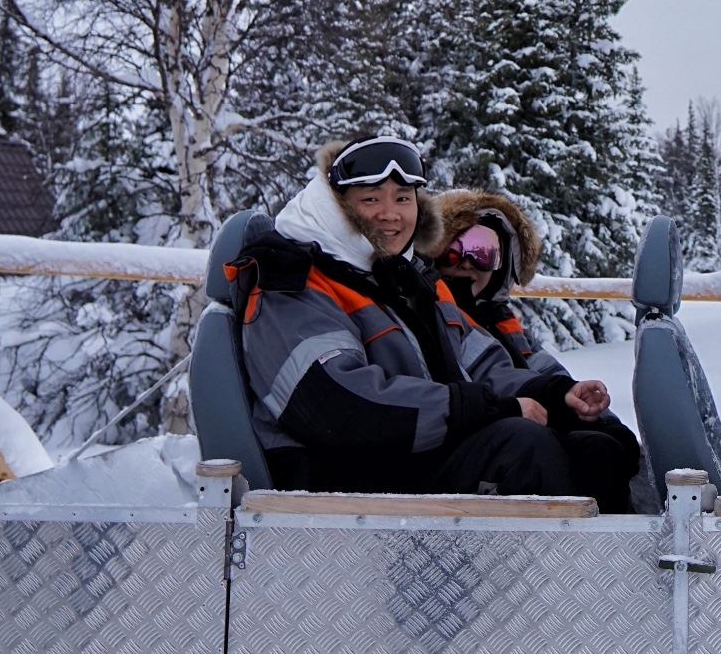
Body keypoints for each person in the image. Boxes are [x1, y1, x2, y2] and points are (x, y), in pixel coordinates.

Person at [234, 135, 592, 501]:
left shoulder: (402, 278)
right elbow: (336, 405)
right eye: (371, 198)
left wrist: (555, 394)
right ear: (337, 205)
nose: (391, 214)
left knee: (592, 446)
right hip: (337, 481)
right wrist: (480, 409)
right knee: (523, 449)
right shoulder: (291, 282)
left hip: (403, 459)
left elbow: (479, 361)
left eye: (403, 198)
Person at [431, 189, 642, 513]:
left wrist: (600, 418)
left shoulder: (501, 322)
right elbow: (488, 372)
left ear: (502, 264)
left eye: (484, 251)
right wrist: (556, 396)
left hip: (518, 421)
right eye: (452, 251)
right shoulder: (435, 313)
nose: (467, 263)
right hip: (472, 436)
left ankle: (608, 546)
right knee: (540, 446)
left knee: (602, 449)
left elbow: (545, 371)